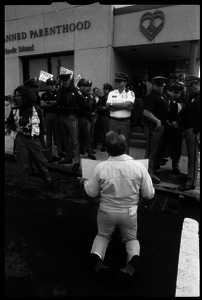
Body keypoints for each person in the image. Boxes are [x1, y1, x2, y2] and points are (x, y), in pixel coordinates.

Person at [79, 131, 154, 281]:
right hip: (129, 213)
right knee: (131, 239)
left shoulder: (101, 167)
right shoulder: (139, 167)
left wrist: (85, 182)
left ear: (106, 149)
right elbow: (149, 194)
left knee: (103, 236)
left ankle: (96, 259)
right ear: (125, 146)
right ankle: (132, 263)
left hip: (106, 211)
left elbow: (92, 192)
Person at [6, 85, 54, 194]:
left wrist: (42, 142)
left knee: (40, 162)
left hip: (33, 139)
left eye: (19, 95)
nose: (16, 97)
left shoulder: (36, 109)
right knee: (23, 165)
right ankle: (25, 186)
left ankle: (49, 182)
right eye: (16, 95)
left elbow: (42, 127)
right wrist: (15, 127)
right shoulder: (15, 109)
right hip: (20, 139)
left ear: (25, 96)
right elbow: (9, 123)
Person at [172, 75, 200, 191]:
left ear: (197, 84)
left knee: (193, 157)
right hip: (188, 129)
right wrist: (179, 122)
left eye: (191, 85)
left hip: (193, 130)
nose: (189, 88)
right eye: (188, 86)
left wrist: (196, 129)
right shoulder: (192, 96)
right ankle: (189, 177)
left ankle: (191, 183)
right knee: (190, 156)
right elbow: (186, 112)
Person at [143, 76, 169, 184]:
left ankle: (151, 172)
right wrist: (157, 120)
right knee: (151, 152)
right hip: (153, 128)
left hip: (159, 128)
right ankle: (148, 175)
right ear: (153, 85)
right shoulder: (152, 96)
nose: (160, 87)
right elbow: (146, 112)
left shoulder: (161, 95)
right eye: (158, 85)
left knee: (155, 152)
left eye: (161, 85)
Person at [106, 72, 135, 155]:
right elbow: (108, 106)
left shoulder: (130, 93)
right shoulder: (112, 93)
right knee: (111, 142)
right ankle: (111, 161)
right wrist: (124, 106)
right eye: (116, 81)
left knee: (124, 143)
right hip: (113, 121)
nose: (117, 83)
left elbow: (128, 105)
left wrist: (113, 105)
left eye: (119, 81)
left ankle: (124, 163)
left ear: (125, 82)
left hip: (124, 122)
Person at [57, 74, 80, 171]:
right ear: (61, 81)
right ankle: (68, 158)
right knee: (65, 139)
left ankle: (77, 161)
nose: (65, 82)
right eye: (63, 81)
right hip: (62, 117)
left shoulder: (74, 90)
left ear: (69, 81)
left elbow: (81, 103)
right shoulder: (60, 91)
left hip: (71, 117)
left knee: (74, 141)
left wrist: (74, 111)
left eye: (67, 80)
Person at [163, 82, 185, 174]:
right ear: (170, 92)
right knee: (163, 147)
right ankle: (157, 164)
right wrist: (166, 122)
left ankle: (175, 166)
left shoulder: (182, 104)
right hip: (166, 128)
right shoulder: (165, 101)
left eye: (178, 93)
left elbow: (184, 116)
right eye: (175, 92)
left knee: (176, 148)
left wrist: (178, 123)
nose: (176, 94)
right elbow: (162, 113)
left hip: (176, 129)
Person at [40, 78, 62, 162]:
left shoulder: (58, 93)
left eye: (54, 85)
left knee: (58, 135)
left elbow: (58, 103)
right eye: (51, 85)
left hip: (56, 115)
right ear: (48, 86)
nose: (53, 87)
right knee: (48, 136)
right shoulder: (44, 94)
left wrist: (48, 102)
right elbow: (42, 104)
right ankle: (49, 153)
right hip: (48, 116)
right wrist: (52, 104)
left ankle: (60, 152)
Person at [76, 78, 96, 160]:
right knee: (77, 137)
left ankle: (89, 152)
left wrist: (93, 113)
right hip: (78, 117)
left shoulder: (90, 96)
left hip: (86, 118)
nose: (85, 88)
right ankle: (77, 152)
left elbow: (94, 106)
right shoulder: (77, 96)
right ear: (79, 87)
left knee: (88, 137)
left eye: (85, 86)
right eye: (83, 86)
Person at [93, 83, 113, 151]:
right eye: (104, 89)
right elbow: (97, 106)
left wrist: (102, 108)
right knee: (96, 131)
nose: (104, 90)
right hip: (99, 116)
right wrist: (101, 108)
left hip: (106, 117)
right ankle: (94, 144)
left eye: (106, 89)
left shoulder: (111, 98)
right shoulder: (101, 98)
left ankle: (104, 146)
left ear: (109, 90)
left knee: (105, 132)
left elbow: (107, 108)